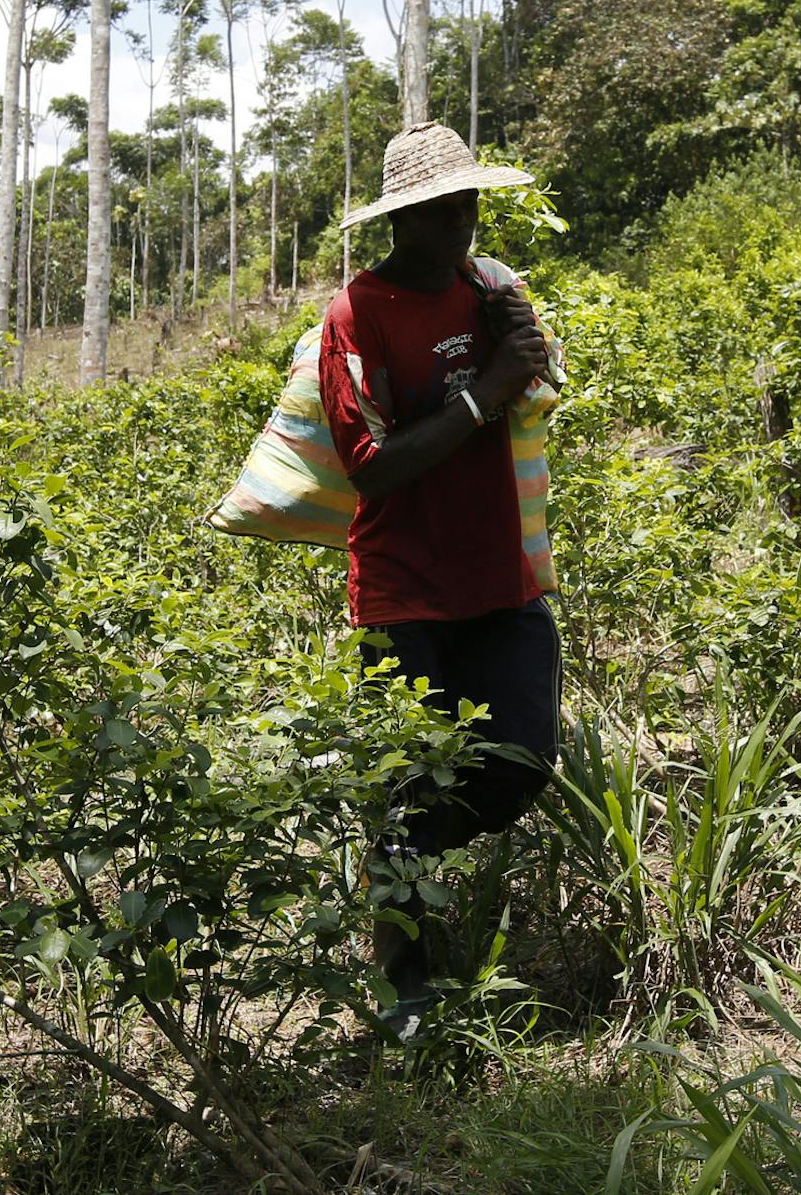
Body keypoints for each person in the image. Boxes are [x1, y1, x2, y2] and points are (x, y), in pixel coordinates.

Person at [317, 121, 563, 1041]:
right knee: (401, 784)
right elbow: (371, 468)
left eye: (469, 203)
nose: (462, 221)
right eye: (441, 208)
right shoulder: (360, 313)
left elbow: (536, 390)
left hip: (503, 577)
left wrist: (519, 358)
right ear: (403, 218)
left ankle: (399, 857)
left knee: (524, 762)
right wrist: (484, 389)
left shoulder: (492, 291)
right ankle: (407, 993)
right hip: (403, 591)